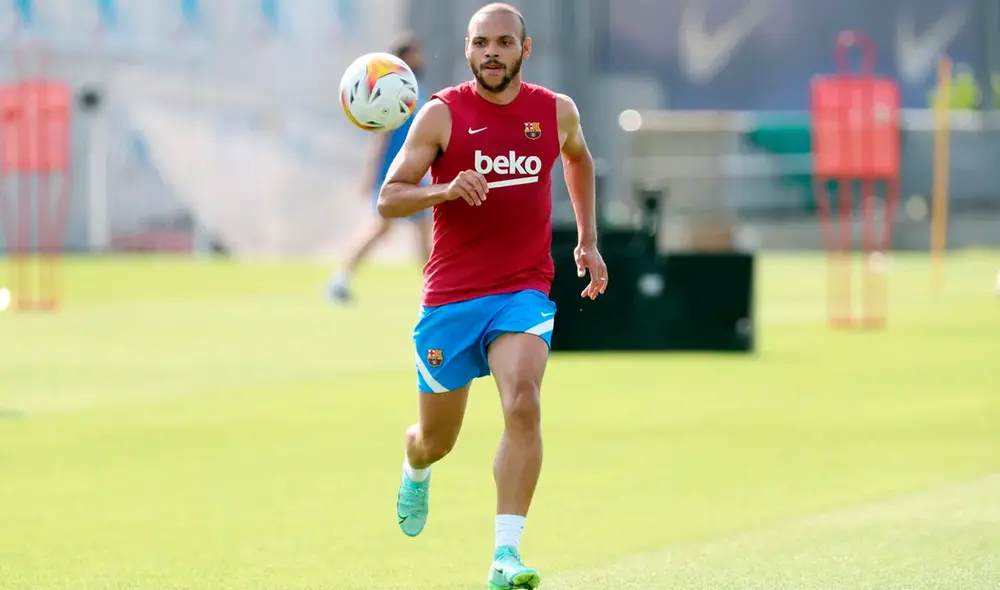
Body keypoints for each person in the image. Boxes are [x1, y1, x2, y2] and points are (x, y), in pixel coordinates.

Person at [376, 4, 608, 589]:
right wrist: (447, 190)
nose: (492, 53)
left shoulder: (555, 112)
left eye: (504, 43)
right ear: (467, 50)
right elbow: (389, 198)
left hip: (522, 291)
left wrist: (587, 240)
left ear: (524, 50)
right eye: (482, 44)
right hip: (451, 299)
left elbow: (579, 158)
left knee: (523, 402)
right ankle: (414, 463)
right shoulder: (440, 115)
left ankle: (505, 555)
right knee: (437, 442)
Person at [327, 33, 431, 303]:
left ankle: (433, 290)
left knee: (420, 231)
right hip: (394, 175)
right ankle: (340, 278)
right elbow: (381, 136)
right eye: (415, 53)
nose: (421, 58)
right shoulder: (394, 89)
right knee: (383, 229)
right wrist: (371, 174)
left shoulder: (416, 90)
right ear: (404, 57)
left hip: (415, 173)